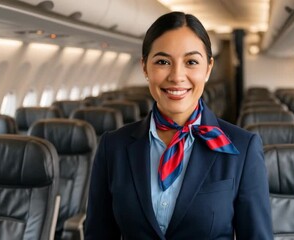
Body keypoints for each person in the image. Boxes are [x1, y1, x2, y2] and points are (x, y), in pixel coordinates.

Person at [84, 11, 273, 240]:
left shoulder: (242, 148)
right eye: (162, 62)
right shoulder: (113, 147)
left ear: (208, 68)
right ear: (145, 67)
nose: (176, 76)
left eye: (191, 62)